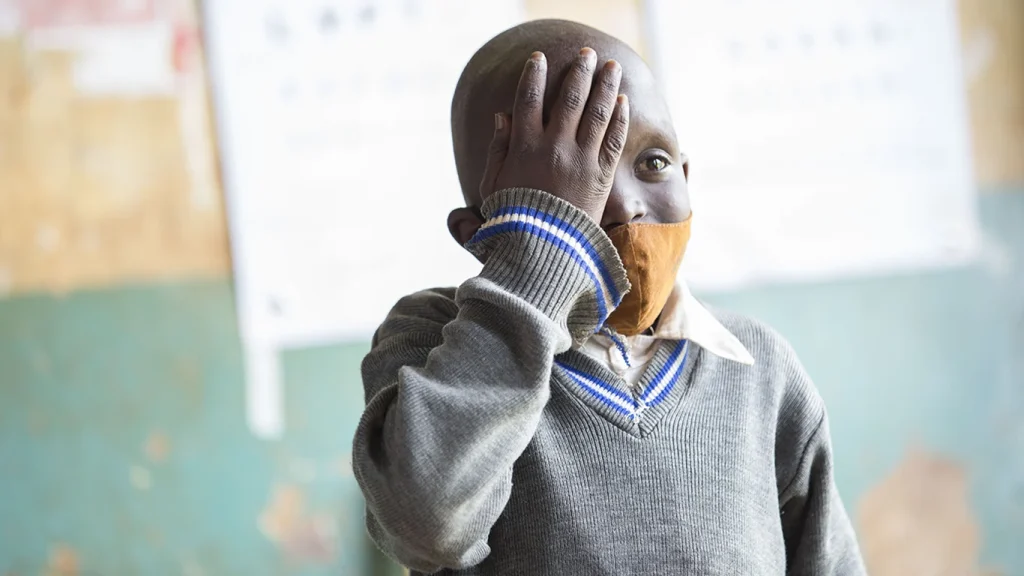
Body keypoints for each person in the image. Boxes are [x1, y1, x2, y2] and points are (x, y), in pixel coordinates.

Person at [352, 19, 866, 576]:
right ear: (476, 231)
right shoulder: (433, 340)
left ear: (688, 178)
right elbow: (427, 526)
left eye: (654, 163)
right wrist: (539, 255)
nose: (623, 205)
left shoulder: (758, 365)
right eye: (561, 185)